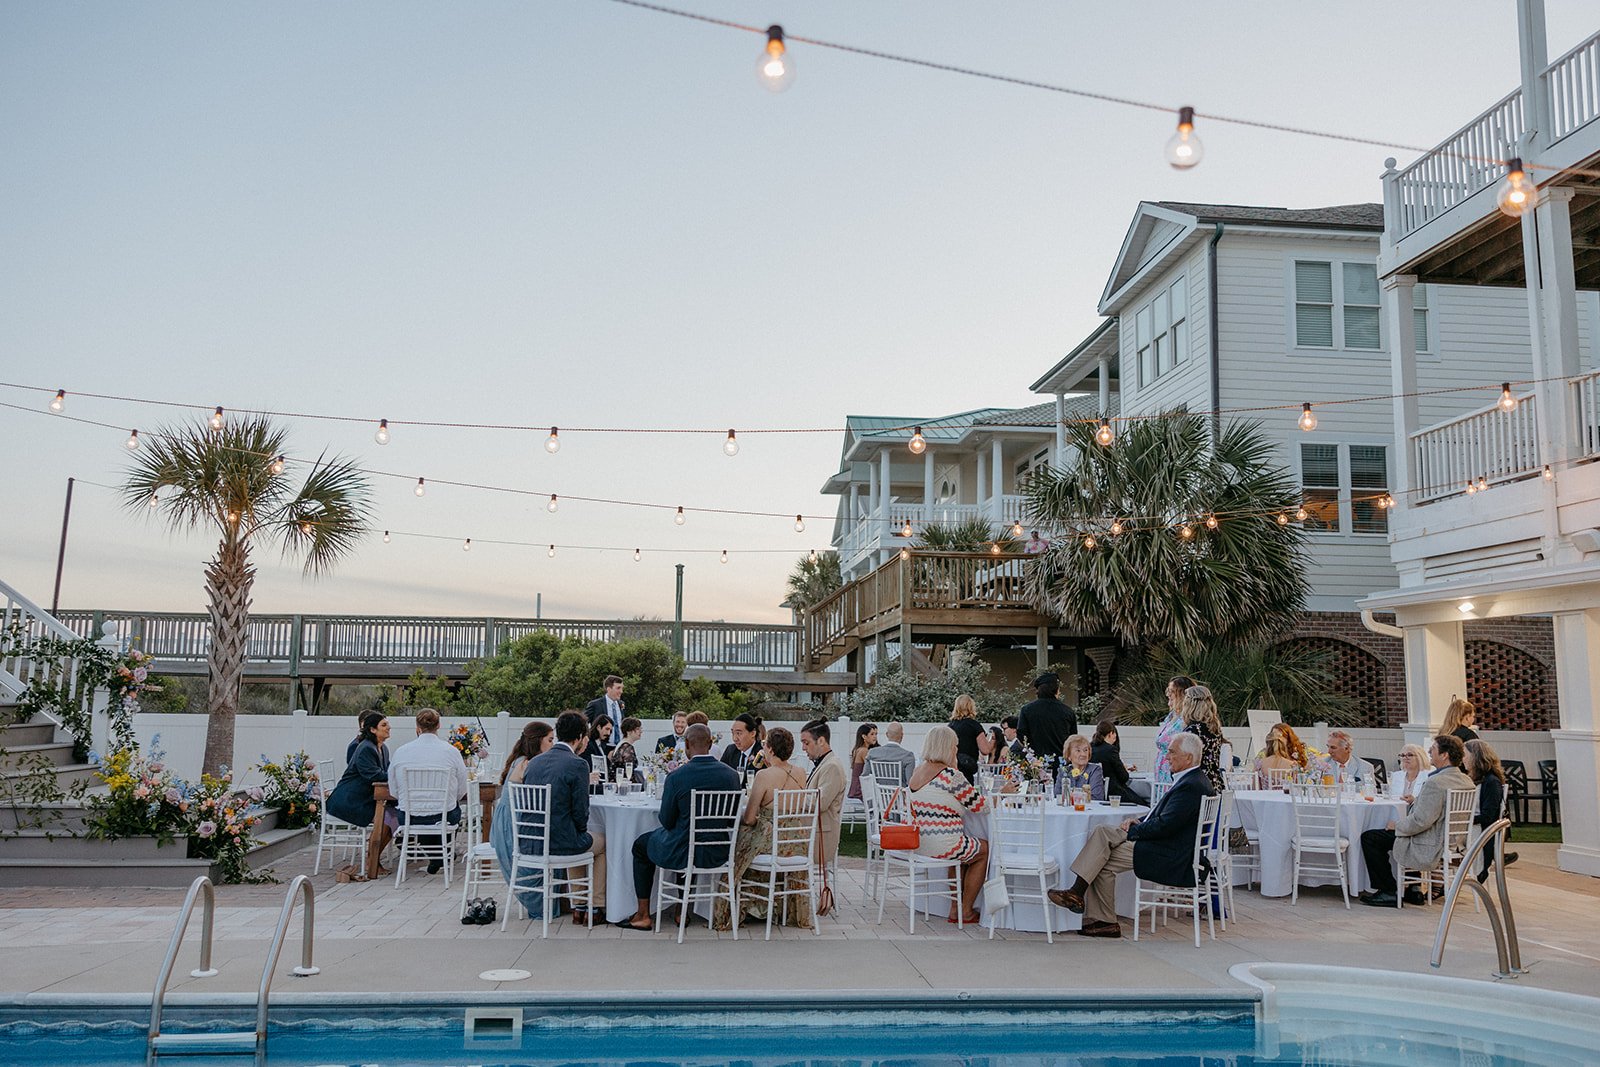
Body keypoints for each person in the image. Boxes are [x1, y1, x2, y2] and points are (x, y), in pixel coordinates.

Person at [1048, 732, 1215, 938]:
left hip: (1170, 854)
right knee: (1102, 837)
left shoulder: (1190, 786)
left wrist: (1135, 830)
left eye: (1171, 752)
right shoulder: (1195, 780)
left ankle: (1092, 908)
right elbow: (1169, 821)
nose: (1166, 757)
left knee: (1101, 853)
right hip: (1172, 846)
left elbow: (1165, 826)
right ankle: (1088, 905)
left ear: (1188, 758)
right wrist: (1140, 823)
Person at [623, 723, 741, 931]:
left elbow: (666, 821)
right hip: (717, 851)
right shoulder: (731, 775)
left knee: (642, 845)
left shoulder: (677, 776)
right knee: (688, 837)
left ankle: (642, 914)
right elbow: (731, 820)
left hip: (683, 850)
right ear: (711, 744)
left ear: (686, 745)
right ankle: (681, 910)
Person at [713, 727, 814, 932]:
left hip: (770, 843)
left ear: (770, 749)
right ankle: (769, 907)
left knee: (738, 851)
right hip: (796, 843)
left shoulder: (764, 776)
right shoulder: (801, 772)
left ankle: (747, 908)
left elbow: (750, 819)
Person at [1358, 735, 1474, 907]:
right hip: (1454, 841)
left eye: (1433, 749)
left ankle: (1388, 891)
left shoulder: (1436, 782)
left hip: (1430, 842)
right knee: (1390, 835)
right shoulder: (1466, 780)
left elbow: (1421, 821)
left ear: (1445, 755)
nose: (1429, 752)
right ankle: (1412, 889)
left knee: (1371, 838)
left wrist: (1396, 826)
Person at [522, 711, 606, 924]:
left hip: (532, 841)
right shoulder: (577, 764)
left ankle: (579, 906)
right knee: (601, 843)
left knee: (577, 837)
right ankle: (594, 907)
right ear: (579, 737)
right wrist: (579, 829)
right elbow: (580, 814)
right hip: (560, 843)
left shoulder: (534, 763)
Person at [908, 724, 992, 925]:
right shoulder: (951, 776)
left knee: (962, 851)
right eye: (955, 746)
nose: (957, 750)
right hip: (943, 845)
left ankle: (955, 907)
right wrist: (1004, 792)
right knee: (983, 851)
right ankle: (966, 909)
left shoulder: (918, 771)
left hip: (920, 843)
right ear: (947, 748)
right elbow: (982, 806)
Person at [386, 708, 470, 875]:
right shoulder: (451, 751)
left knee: (421, 815)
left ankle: (437, 856)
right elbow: (462, 789)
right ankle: (441, 855)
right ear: (438, 725)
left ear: (417, 727)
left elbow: (393, 789)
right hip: (442, 815)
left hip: (409, 816)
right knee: (449, 812)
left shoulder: (401, 751)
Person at [492, 720, 555, 915]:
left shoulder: (520, 760)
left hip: (505, 820)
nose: (553, 745)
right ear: (538, 741)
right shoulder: (528, 764)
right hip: (513, 824)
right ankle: (546, 902)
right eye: (550, 740)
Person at [328, 711, 397, 872]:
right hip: (351, 800)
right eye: (384, 725)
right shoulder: (365, 748)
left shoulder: (382, 748)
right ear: (373, 729)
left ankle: (373, 859)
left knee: (393, 818)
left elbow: (387, 770)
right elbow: (374, 775)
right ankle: (372, 862)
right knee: (387, 819)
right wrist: (398, 774)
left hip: (366, 798)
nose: (389, 728)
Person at [1463, 738, 1517, 881]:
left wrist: (1464, 819)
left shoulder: (1491, 782)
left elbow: (1488, 816)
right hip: (1468, 828)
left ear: (1475, 757)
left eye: (1465, 755)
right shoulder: (1470, 779)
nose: (1462, 759)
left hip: (1481, 832)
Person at [800, 720, 847, 874]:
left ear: (821, 741)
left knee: (771, 847)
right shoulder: (824, 764)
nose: (803, 748)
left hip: (819, 837)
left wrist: (793, 793)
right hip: (810, 831)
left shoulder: (831, 766)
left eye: (806, 743)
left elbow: (818, 804)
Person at [1017, 673, 1076, 776]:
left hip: (1036, 764)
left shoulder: (1027, 710)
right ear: (1056, 690)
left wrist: (1031, 751)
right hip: (1061, 764)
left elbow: (1021, 735)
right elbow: (1073, 739)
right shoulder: (1068, 712)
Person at [1178, 685, 1226, 794]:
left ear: (1190, 705)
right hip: (1215, 784)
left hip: (1196, 787)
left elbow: (1185, 763)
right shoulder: (1214, 729)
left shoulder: (1192, 731)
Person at [1152, 676, 1194, 784]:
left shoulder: (1186, 719)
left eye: (1172, 691)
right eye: (1168, 691)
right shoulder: (1171, 717)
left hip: (1174, 773)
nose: (1168, 694)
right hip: (1162, 774)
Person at [1092, 721, 1140, 804]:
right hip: (1112, 792)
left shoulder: (1089, 747)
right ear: (1111, 733)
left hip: (1094, 790)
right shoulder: (1111, 750)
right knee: (1142, 804)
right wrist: (1124, 769)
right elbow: (1124, 777)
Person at [946, 694, 985, 782]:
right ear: (971, 707)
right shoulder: (974, 725)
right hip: (967, 767)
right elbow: (985, 750)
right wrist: (993, 739)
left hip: (952, 768)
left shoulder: (950, 726)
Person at [1058, 735, 1106, 801]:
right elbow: (1058, 795)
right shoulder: (1063, 771)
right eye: (1078, 750)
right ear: (1069, 755)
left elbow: (1097, 797)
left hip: (1089, 809)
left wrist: (1072, 796)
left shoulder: (1095, 770)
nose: (1083, 754)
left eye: (1085, 750)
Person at [720, 713, 766, 781]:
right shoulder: (730, 750)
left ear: (753, 733)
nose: (735, 738)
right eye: (733, 733)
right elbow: (722, 774)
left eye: (739, 733)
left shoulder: (762, 752)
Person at [869, 722, 917, 786]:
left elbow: (865, 777)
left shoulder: (873, 753)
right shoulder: (908, 756)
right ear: (902, 735)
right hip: (898, 795)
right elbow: (910, 783)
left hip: (877, 795)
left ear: (887, 734)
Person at [608, 717, 645, 784]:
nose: (641, 731)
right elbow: (629, 774)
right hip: (623, 785)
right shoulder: (627, 748)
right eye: (637, 729)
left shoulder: (620, 745)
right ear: (628, 731)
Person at [847, 722, 878, 801]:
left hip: (854, 788)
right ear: (864, 736)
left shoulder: (857, 749)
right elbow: (873, 769)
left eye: (876, 734)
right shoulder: (864, 751)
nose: (875, 737)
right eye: (872, 734)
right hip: (860, 790)